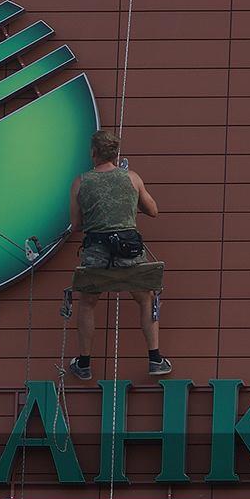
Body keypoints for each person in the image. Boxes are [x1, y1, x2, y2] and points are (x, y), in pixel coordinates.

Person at [67, 130, 171, 381]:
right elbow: (153, 210)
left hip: (96, 255)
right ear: (115, 154)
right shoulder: (132, 178)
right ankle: (155, 359)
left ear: (93, 152)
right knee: (145, 298)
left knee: (87, 303)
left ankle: (84, 363)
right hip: (129, 253)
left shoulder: (80, 182)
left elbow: (76, 224)